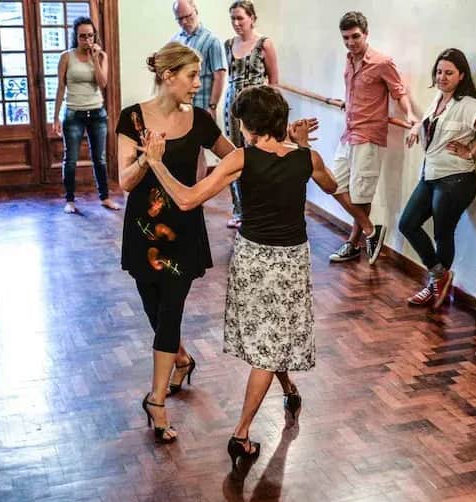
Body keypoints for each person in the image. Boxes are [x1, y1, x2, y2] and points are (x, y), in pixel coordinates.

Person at [142, 85, 337, 469]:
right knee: (274, 335)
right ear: (281, 120)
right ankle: (263, 412)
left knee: (268, 337)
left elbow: (185, 200)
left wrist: (155, 163)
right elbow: (331, 185)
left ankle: (260, 415)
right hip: (292, 260)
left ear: (247, 126)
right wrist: (300, 146)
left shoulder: (241, 159)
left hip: (252, 260)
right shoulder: (306, 158)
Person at [116, 42, 235, 443]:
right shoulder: (131, 118)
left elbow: (234, 160)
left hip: (183, 232)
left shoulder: (200, 120)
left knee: (170, 312)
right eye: (191, 76)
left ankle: (156, 401)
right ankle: (181, 359)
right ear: (168, 77)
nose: (197, 84)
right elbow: (124, 181)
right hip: (143, 231)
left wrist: (205, 189)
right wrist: (147, 159)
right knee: (154, 309)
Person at [400, 49, 476, 308]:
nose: (442, 77)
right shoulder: (438, 99)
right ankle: (440, 276)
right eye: (439, 71)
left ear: (461, 75)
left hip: (456, 179)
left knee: (443, 234)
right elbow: (429, 124)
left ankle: (435, 284)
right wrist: (414, 128)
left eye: (449, 73)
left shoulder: (468, 104)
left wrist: (472, 151)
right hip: (431, 174)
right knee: (407, 224)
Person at [328, 11, 418, 264]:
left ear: (366, 34)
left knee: (360, 195)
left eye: (355, 37)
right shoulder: (348, 59)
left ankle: (352, 243)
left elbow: (399, 91)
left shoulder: (382, 62)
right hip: (349, 132)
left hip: (369, 135)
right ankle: (370, 230)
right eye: (345, 38)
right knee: (333, 184)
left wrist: (410, 115)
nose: (350, 42)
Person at [52, 16, 119, 213]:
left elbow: (103, 83)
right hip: (73, 113)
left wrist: (96, 59)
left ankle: (105, 197)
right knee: (70, 159)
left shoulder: (101, 56)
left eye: (90, 36)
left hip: (97, 113)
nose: (87, 40)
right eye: (82, 36)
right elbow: (60, 87)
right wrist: (55, 116)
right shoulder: (66, 57)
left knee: (99, 158)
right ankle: (70, 200)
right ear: (76, 36)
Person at [223, 0, 279, 229]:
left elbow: (274, 82)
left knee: (257, 157)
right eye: (233, 19)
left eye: (241, 18)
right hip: (232, 107)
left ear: (252, 18)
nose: (237, 23)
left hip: (257, 107)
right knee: (234, 155)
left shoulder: (264, 44)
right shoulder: (228, 44)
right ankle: (239, 209)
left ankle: (260, 208)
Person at [171, 0, 227, 180]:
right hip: (179, 104)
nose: (185, 21)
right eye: (180, 19)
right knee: (181, 147)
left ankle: (197, 194)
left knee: (198, 149)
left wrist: (212, 106)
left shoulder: (212, 41)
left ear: (196, 11)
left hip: (202, 103)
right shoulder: (175, 40)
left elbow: (219, 75)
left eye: (189, 16)